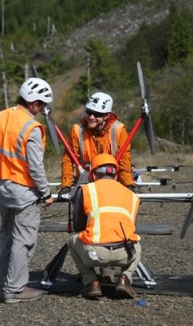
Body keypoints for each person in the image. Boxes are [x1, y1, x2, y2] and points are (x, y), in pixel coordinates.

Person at [0, 77, 55, 304]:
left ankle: (3, 286)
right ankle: (15, 289)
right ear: (34, 104)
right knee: (22, 240)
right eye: (43, 106)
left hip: (2, 188)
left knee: (6, 238)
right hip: (24, 191)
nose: (43, 111)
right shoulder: (31, 127)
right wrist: (46, 193)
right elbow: (35, 167)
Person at [59, 92, 135, 282]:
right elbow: (69, 158)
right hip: (86, 182)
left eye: (97, 114)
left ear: (107, 116)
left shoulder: (118, 130)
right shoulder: (77, 130)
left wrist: (128, 184)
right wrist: (66, 184)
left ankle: (107, 268)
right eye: (89, 112)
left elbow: (125, 158)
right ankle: (91, 269)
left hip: (110, 184)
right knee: (83, 226)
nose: (91, 117)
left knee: (108, 225)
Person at [67, 153, 141, 299]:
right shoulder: (131, 195)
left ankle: (91, 282)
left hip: (95, 255)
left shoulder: (87, 190)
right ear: (115, 175)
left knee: (72, 239)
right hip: (125, 255)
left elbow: (78, 225)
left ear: (93, 175)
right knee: (137, 244)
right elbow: (132, 228)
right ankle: (125, 278)